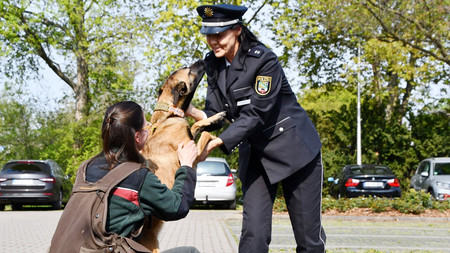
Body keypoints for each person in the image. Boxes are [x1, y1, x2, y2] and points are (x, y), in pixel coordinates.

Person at [187, 4, 326, 253]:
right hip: (256, 156)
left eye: (219, 35)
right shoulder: (213, 63)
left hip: (295, 152)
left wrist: (219, 142)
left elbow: (257, 113)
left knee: (308, 240)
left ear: (237, 30)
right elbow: (215, 112)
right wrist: (189, 112)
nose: (212, 42)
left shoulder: (264, 60)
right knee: (254, 235)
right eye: (208, 35)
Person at [52, 101, 200, 253]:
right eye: (146, 126)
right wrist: (187, 166)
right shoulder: (137, 176)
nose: (149, 129)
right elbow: (177, 207)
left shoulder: (85, 168)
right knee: (190, 251)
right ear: (137, 136)